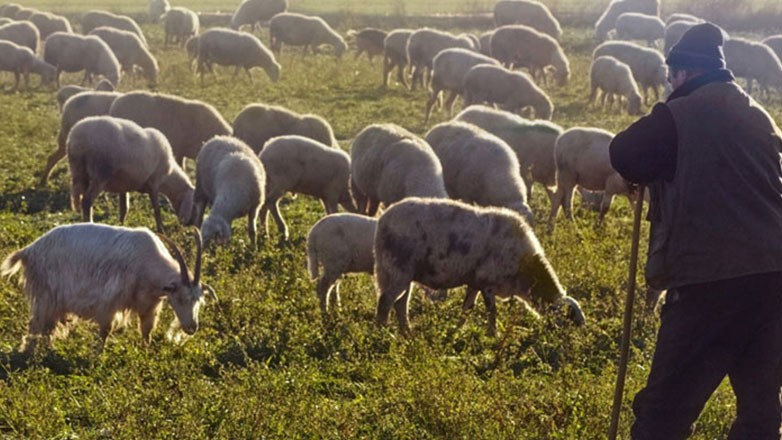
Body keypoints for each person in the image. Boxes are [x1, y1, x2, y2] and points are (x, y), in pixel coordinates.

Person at [609, 22, 782, 439]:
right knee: (760, 414)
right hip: (775, 281)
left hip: (711, 283)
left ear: (684, 73)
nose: (669, 84)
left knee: (663, 416)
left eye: (671, 76)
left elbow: (624, 152)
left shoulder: (681, 114)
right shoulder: (758, 116)